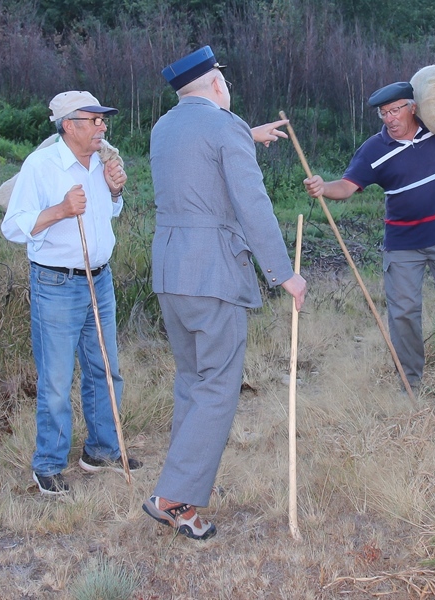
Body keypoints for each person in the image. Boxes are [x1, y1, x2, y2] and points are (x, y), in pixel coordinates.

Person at [143, 45, 306, 541]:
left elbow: (199, 166)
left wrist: (246, 135)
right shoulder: (224, 127)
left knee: (192, 382)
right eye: (225, 80)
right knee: (217, 386)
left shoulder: (164, 127)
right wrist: (283, 273)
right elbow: (251, 205)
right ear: (217, 85)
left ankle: (183, 504)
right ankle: (171, 497)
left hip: (171, 271)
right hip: (213, 274)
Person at [303, 80, 435, 391]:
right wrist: (323, 187)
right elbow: (346, 187)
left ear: (412, 107)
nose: (389, 118)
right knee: (404, 313)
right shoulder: (373, 149)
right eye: (383, 113)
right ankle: (410, 381)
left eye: (395, 110)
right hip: (402, 246)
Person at [1, 90, 141, 496]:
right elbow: (13, 226)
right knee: (57, 379)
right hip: (56, 285)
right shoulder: (41, 166)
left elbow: (107, 213)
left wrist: (114, 192)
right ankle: (47, 466)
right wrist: (60, 210)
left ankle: (100, 451)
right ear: (69, 125)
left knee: (105, 369)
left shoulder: (101, 161)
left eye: (102, 119)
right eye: (94, 120)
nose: (102, 126)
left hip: (100, 279)